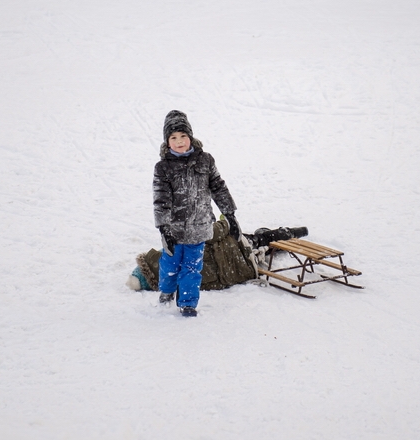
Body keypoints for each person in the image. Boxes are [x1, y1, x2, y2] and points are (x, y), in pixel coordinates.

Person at [152, 110, 239, 317]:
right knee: (170, 265)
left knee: (192, 269)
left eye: (183, 136)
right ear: (167, 141)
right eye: (173, 138)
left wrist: (230, 215)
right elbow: (160, 199)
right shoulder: (163, 167)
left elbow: (218, 187)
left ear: (190, 136)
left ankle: (188, 303)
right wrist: (164, 228)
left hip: (199, 227)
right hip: (173, 230)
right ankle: (166, 292)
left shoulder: (205, 160)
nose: (179, 141)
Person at [126, 217, 309, 293]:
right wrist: (225, 222)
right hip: (236, 246)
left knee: (261, 244)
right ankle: (286, 234)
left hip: (244, 266)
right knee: (260, 239)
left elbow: (220, 283)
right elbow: (214, 231)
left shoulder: (185, 284)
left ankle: (275, 239)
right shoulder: (178, 249)